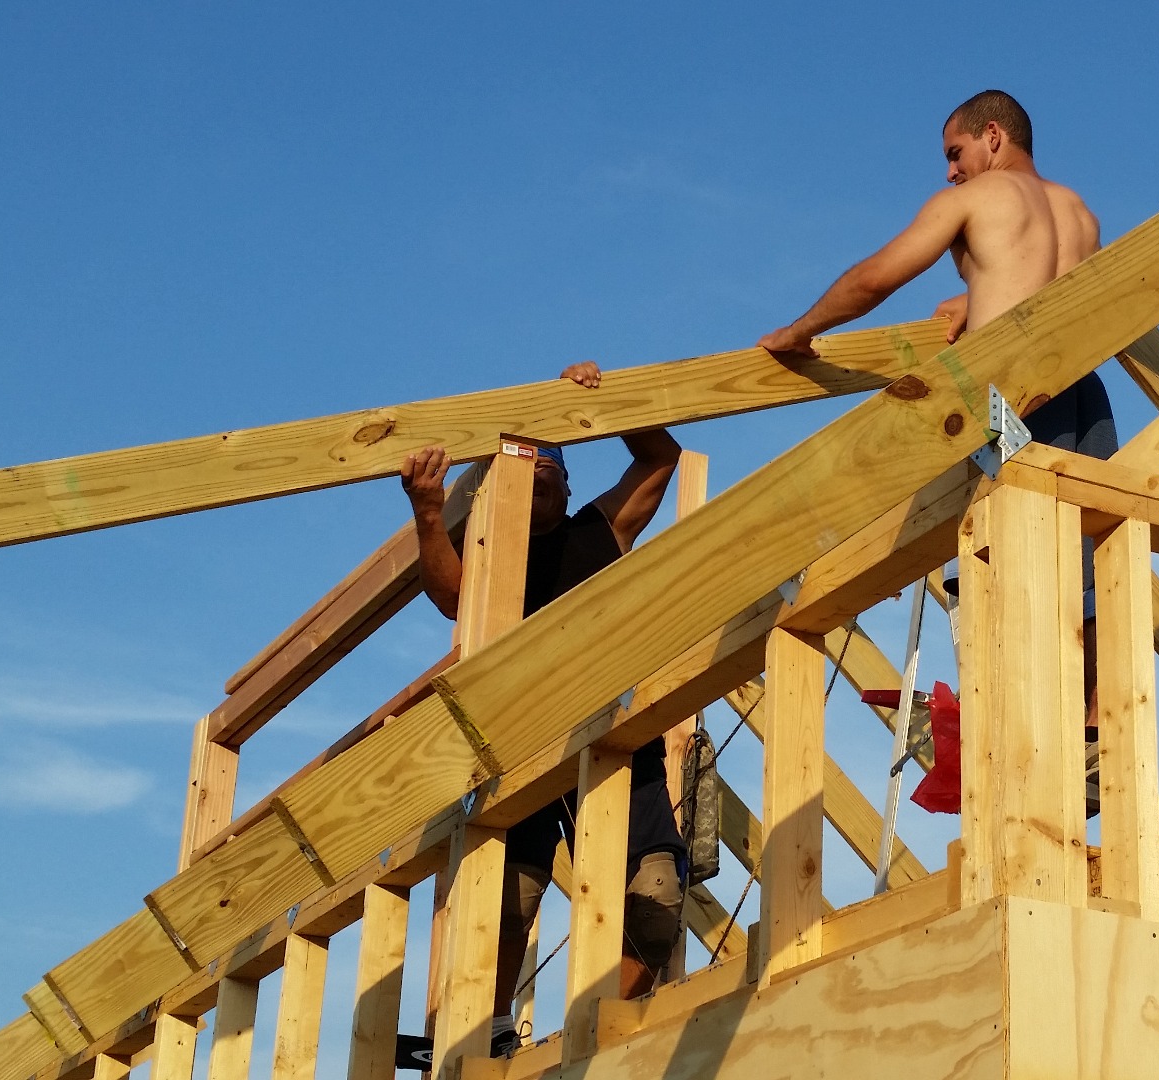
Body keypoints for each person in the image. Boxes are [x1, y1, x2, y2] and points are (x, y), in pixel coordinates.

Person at [758, 89, 1117, 727]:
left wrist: (800, 329)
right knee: (1085, 566)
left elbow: (876, 277)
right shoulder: (1079, 212)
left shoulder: (978, 199)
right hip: (1084, 396)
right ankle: (1091, 727)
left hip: (1010, 402)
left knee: (991, 571)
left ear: (993, 136)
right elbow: (1039, 294)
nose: (950, 170)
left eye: (956, 152)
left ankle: (1014, 735)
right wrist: (972, 303)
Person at [393, 361, 686, 1067]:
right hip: (517, 746)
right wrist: (429, 514)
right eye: (519, 476)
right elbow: (450, 598)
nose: (534, 485)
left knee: (653, 894)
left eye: (546, 472)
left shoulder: (600, 530)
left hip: (612, 736)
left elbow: (661, 457)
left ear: (566, 479)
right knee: (510, 901)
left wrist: (605, 400)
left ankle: (612, 1029)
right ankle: (487, 1032)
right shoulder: (491, 554)